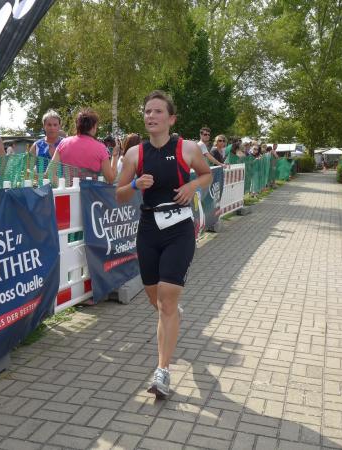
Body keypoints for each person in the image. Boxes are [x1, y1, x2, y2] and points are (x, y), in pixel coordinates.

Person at [115, 90, 212, 399]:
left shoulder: (187, 148)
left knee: (167, 301)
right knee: (156, 300)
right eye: (147, 111)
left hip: (179, 230)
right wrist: (134, 184)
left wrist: (192, 185)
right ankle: (172, 313)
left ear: (171, 119)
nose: (151, 116)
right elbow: (119, 194)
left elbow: (207, 175)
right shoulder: (135, 154)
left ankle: (162, 371)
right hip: (148, 229)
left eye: (158, 111)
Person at [48, 108, 119, 183]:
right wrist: (115, 156)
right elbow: (110, 179)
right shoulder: (101, 148)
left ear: (77, 126)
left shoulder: (63, 143)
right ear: (94, 127)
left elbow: (49, 173)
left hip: (67, 189)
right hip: (91, 190)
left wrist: (63, 184)